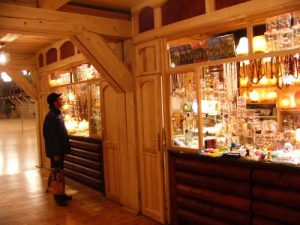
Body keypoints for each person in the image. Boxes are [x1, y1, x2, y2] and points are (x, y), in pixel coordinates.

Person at [43, 92, 72, 206]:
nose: (61, 101)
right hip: (56, 152)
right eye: (59, 99)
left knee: (60, 173)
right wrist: (55, 153)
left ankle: (62, 193)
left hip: (60, 150)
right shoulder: (51, 117)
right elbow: (50, 137)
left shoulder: (56, 115)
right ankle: (58, 197)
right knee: (56, 174)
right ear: (55, 102)